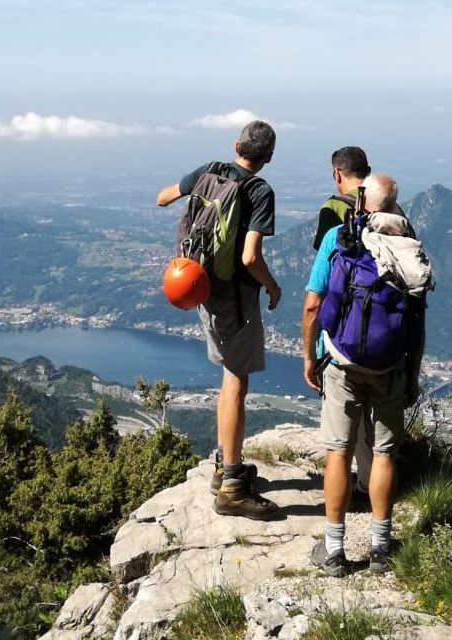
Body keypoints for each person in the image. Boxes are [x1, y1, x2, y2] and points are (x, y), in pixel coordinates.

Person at [301, 174, 427, 576]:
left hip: (341, 361)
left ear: (362, 203)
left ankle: (334, 551)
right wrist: (411, 374)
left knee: (338, 451)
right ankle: (380, 548)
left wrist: (310, 357)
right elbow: (417, 323)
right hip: (389, 365)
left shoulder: (340, 237)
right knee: (384, 453)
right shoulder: (410, 248)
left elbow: (312, 305)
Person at [156, 120, 282, 520]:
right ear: (268, 158)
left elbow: (163, 199)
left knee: (227, 376)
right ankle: (231, 485)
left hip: (201, 289)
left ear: (236, 145)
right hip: (236, 298)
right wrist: (273, 287)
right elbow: (249, 257)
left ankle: (223, 463)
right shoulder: (259, 191)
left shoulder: (209, 170)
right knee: (235, 382)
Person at [313, 146, 376, 498]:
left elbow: (324, 277)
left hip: (343, 330)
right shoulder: (389, 207)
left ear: (338, 173)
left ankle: (342, 497)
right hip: (384, 333)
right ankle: (370, 484)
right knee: (374, 418)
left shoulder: (334, 209)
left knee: (340, 424)